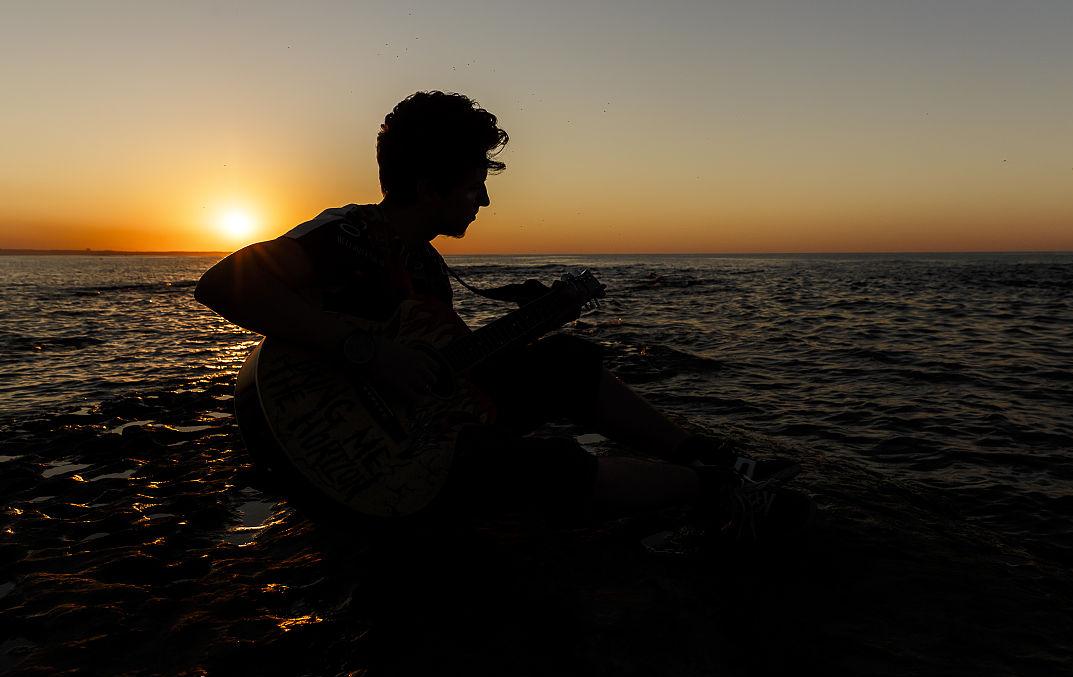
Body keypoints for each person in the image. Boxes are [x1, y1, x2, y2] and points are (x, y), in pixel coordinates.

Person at [195, 90, 779, 542]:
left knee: (566, 363)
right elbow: (222, 285)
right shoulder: (346, 235)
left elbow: (446, 377)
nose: (485, 200)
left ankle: (700, 456)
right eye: (474, 186)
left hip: (411, 429)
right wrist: (367, 352)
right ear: (428, 186)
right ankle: (721, 493)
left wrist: (533, 323)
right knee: (542, 466)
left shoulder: (426, 268)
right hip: (342, 455)